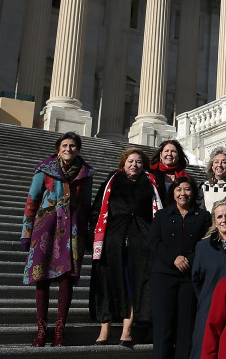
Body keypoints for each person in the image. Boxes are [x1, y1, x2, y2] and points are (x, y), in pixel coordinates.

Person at [21, 132, 94, 347]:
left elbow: (87, 206)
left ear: (78, 149)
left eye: (72, 146)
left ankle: (60, 331)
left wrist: (87, 234)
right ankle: (41, 331)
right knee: (41, 278)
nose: (68, 149)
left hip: (73, 231)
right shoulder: (44, 170)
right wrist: (26, 232)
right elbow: (32, 200)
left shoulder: (86, 173)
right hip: (46, 228)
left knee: (66, 280)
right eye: (64, 145)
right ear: (58, 149)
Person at [90, 148, 163, 347]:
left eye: (139, 162)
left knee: (134, 285)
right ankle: (104, 330)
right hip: (113, 240)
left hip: (141, 242)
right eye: (130, 161)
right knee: (109, 283)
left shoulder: (152, 183)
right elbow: (98, 209)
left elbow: (158, 213)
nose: (134, 165)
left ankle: (127, 331)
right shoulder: (112, 181)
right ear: (124, 163)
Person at [149, 175, 210, 359]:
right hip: (164, 275)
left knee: (186, 326)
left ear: (193, 192)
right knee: (163, 326)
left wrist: (188, 259)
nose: (183, 193)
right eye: (178, 189)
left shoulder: (203, 216)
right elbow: (154, 242)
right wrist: (173, 259)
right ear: (173, 193)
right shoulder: (162, 215)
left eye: (187, 189)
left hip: (189, 277)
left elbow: (205, 242)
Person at [190, 199, 226, 359]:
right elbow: (196, 279)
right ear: (214, 220)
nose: (224, 220)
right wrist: (207, 299)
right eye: (220, 217)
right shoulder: (203, 246)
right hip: (209, 308)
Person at [201, 147, 226, 212]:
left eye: (224, 162)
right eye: (216, 162)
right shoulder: (204, 186)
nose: (219, 165)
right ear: (212, 166)